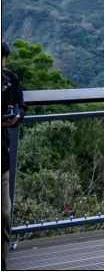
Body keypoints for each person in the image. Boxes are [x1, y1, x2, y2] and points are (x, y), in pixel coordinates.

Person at [2, 40, 26, 266]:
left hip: (2, 159)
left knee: (4, 215)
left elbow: (21, 104)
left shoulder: (9, 80)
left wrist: (17, 116)